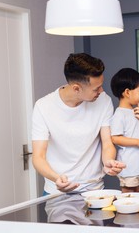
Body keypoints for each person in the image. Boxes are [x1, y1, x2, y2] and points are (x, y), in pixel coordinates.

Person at [32, 53, 126, 195]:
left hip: (94, 191)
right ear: (76, 88)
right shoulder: (43, 106)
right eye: (96, 88)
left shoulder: (104, 101)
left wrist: (108, 162)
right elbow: (38, 156)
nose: (101, 91)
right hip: (56, 192)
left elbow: (107, 142)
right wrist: (56, 178)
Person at [109, 68, 139, 193]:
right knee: (128, 192)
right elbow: (115, 138)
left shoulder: (134, 111)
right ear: (127, 92)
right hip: (129, 163)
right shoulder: (119, 114)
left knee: (138, 191)